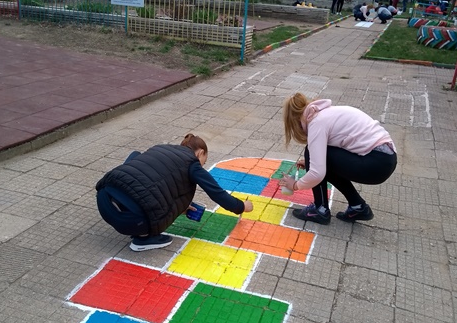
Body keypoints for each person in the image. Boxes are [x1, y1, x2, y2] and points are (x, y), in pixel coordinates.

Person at [96, 134, 253, 251]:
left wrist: (183, 206)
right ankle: (143, 239)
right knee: (147, 209)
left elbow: (155, 179)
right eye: (204, 162)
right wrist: (242, 206)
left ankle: (127, 209)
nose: (202, 166)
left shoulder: (159, 148)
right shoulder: (192, 164)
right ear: (200, 153)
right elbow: (216, 193)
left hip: (103, 200)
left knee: (137, 159)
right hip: (133, 221)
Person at [279, 94, 397, 225]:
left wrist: (294, 185)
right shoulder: (324, 113)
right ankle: (358, 206)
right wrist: (312, 162)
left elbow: (317, 173)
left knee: (311, 153)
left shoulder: (317, 122)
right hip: (386, 159)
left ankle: (320, 209)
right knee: (320, 158)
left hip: (376, 163)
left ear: (295, 121)